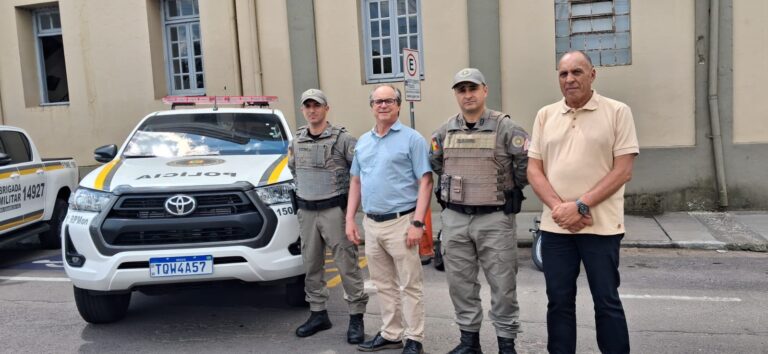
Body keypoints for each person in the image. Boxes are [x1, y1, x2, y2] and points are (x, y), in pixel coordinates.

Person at [527, 50, 638, 354]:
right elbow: (533, 169)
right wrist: (560, 209)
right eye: (563, 74)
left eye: (577, 72)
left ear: (592, 75)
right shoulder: (545, 115)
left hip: (601, 228)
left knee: (606, 301)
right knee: (559, 302)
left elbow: (623, 169)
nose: (570, 79)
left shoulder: (617, 112)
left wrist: (581, 205)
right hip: (556, 228)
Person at [430, 68, 529, 354]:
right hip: (455, 219)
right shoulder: (444, 130)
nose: (467, 94)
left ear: (484, 90)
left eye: (472, 88)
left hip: (495, 219)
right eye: (461, 90)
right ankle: (469, 342)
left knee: (503, 285)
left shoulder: (507, 128)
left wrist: (507, 189)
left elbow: (524, 166)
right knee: (460, 284)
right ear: (456, 95)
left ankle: (506, 344)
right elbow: (436, 162)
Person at [345, 84, 433, 354]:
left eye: (389, 101)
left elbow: (426, 181)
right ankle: (392, 333)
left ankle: (414, 338)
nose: (383, 105)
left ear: (398, 105)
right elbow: (356, 182)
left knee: (410, 284)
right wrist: (350, 219)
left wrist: (418, 223)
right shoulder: (363, 142)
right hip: (371, 223)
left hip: (402, 222)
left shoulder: (412, 139)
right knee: (383, 284)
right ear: (371, 106)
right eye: (378, 101)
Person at [288, 88, 368, 344]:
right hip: (306, 212)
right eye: (307, 106)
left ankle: (356, 317)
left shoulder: (343, 139)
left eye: (317, 105)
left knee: (347, 265)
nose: (312, 110)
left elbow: (359, 172)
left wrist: (352, 214)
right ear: (303, 110)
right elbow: (293, 169)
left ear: (326, 108)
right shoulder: (296, 141)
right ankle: (318, 314)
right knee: (311, 265)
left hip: (334, 210)